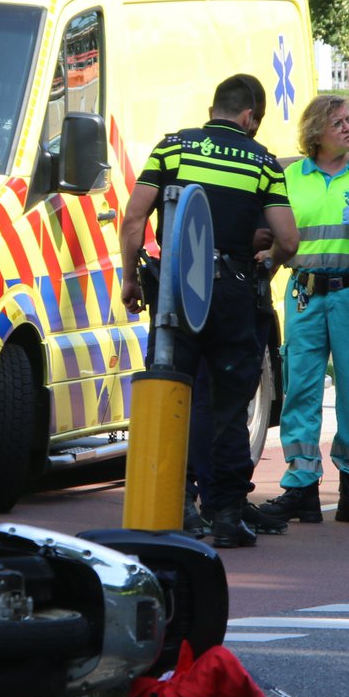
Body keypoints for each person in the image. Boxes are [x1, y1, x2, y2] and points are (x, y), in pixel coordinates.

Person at [120, 75, 299, 548]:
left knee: (172, 393)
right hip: (234, 296)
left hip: (176, 292)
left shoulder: (173, 148)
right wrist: (269, 264)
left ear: (214, 107)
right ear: (248, 117)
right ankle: (225, 514)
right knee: (228, 404)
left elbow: (135, 217)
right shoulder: (262, 162)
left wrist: (130, 278)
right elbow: (289, 239)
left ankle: (173, 504)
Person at [258, 95, 349, 527]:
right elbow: (271, 233)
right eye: (338, 122)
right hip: (305, 294)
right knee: (300, 388)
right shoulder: (291, 178)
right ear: (316, 133)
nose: (348, 128)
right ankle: (302, 487)